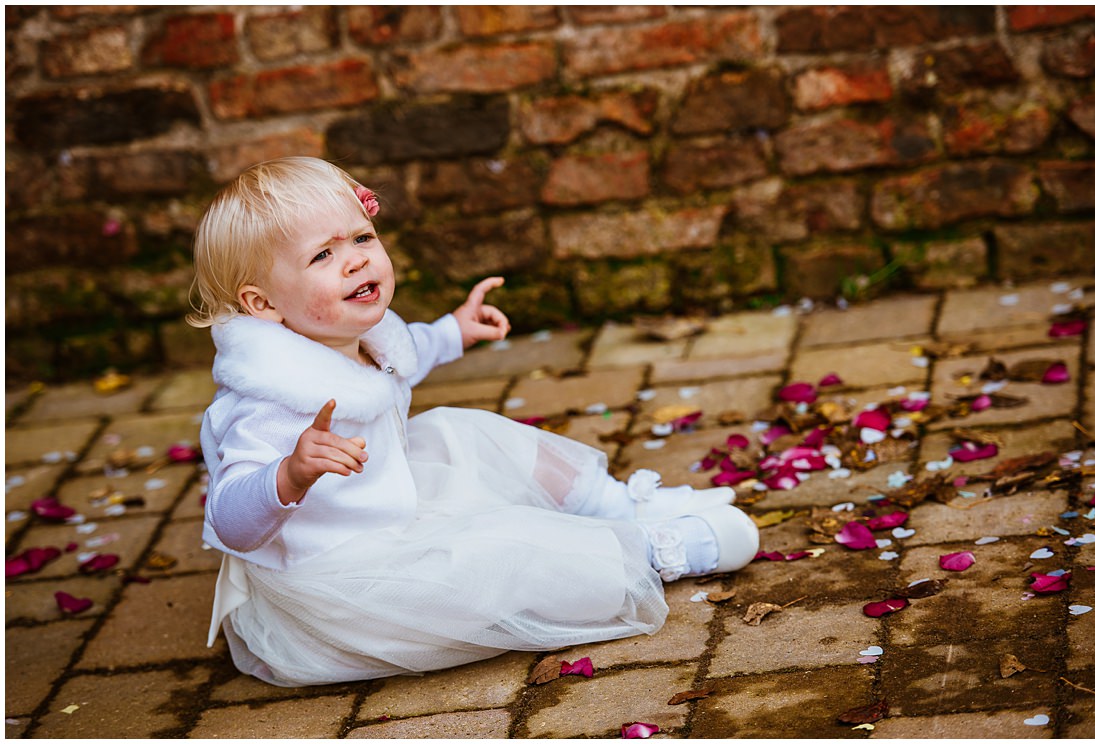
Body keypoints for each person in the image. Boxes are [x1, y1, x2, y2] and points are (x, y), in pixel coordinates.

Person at [188, 156, 760, 687]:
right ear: (262, 304)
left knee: (463, 432)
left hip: (397, 503)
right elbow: (232, 520)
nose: (358, 258)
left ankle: (612, 505)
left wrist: (454, 332)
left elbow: (404, 351)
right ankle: (647, 554)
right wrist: (287, 475)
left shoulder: (348, 335)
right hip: (344, 580)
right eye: (323, 255)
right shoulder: (266, 401)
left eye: (362, 238)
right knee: (488, 564)